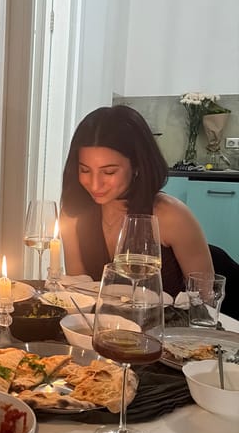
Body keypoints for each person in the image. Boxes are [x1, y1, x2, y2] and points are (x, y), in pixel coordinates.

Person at [59, 105, 213, 296]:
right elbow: (79, 294)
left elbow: (204, 298)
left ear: (137, 166)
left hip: (168, 316)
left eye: (109, 172)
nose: (95, 184)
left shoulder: (171, 216)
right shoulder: (74, 213)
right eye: (85, 170)